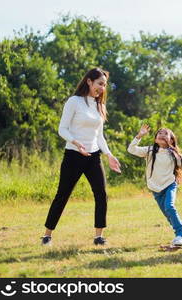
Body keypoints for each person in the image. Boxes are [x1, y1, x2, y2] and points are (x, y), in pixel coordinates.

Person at [41, 68, 121, 246]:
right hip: (73, 155)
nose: (102, 88)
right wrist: (75, 142)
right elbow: (62, 129)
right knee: (62, 195)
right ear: (89, 82)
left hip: (93, 156)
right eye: (100, 83)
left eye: (105, 85)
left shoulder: (100, 106)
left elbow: (99, 136)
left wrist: (109, 155)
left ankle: (99, 236)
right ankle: (47, 235)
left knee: (101, 194)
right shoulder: (74, 101)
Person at [127, 124, 182, 246]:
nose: (162, 135)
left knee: (169, 207)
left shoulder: (173, 154)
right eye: (160, 133)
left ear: (171, 140)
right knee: (168, 215)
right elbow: (131, 149)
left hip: (170, 185)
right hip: (155, 188)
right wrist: (139, 136)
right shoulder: (149, 151)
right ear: (155, 139)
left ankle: (180, 235)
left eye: (166, 134)